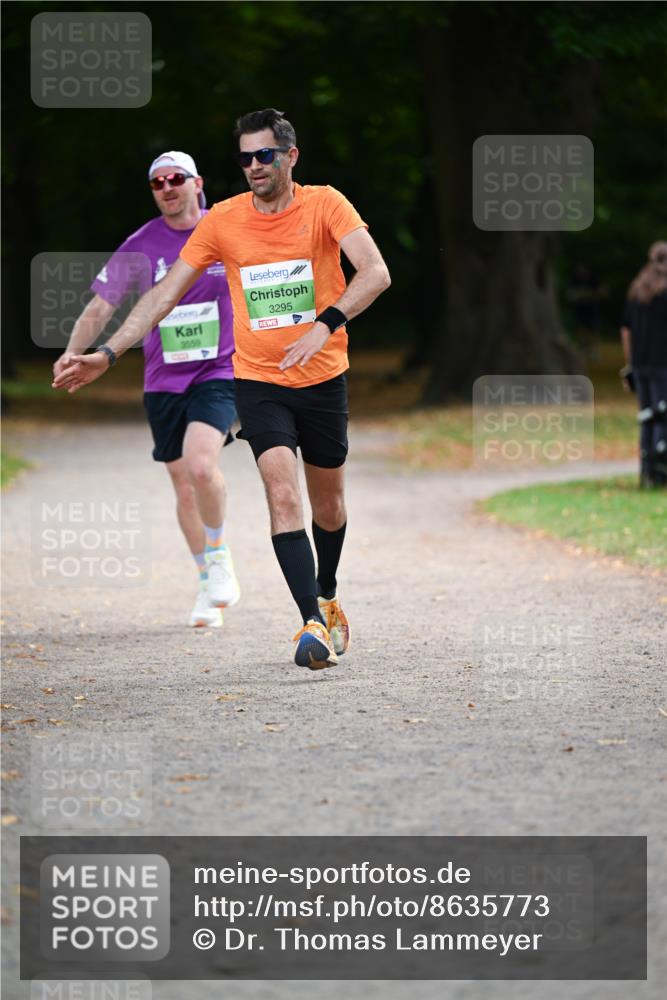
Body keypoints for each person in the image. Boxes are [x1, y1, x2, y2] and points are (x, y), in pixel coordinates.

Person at [53, 109, 391, 670]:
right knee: (282, 494)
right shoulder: (225, 221)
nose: (255, 166)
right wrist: (108, 354)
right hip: (257, 381)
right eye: (245, 157)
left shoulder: (327, 204)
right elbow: (161, 296)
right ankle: (309, 622)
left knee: (328, 503)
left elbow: (375, 272)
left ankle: (327, 591)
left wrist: (323, 323)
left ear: (290, 156)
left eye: (265, 155)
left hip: (323, 376)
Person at [53, 151, 241, 627]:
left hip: (219, 370)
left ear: (197, 183)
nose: (167, 187)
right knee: (182, 488)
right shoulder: (142, 244)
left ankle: (220, 558)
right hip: (163, 378)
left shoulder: (225, 228)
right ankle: (205, 583)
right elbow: (100, 307)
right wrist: (73, 351)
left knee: (202, 465)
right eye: (157, 182)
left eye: (176, 178)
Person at [620, 240, 667, 487]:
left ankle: (646, 470)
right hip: (662, 364)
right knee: (662, 415)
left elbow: (626, 330)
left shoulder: (637, 290)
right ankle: (660, 470)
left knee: (646, 416)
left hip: (640, 364)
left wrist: (630, 363)